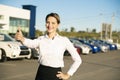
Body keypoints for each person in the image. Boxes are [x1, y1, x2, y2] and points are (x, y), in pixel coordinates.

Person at [15, 13, 82, 80]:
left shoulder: (64, 40)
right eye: (48, 22)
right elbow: (30, 43)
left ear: (58, 25)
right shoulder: (41, 39)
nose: (50, 25)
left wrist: (68, 74)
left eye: (53, 23)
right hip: (41, 74)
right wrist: (22, 38)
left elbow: (78, 60)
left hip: (56, 75)